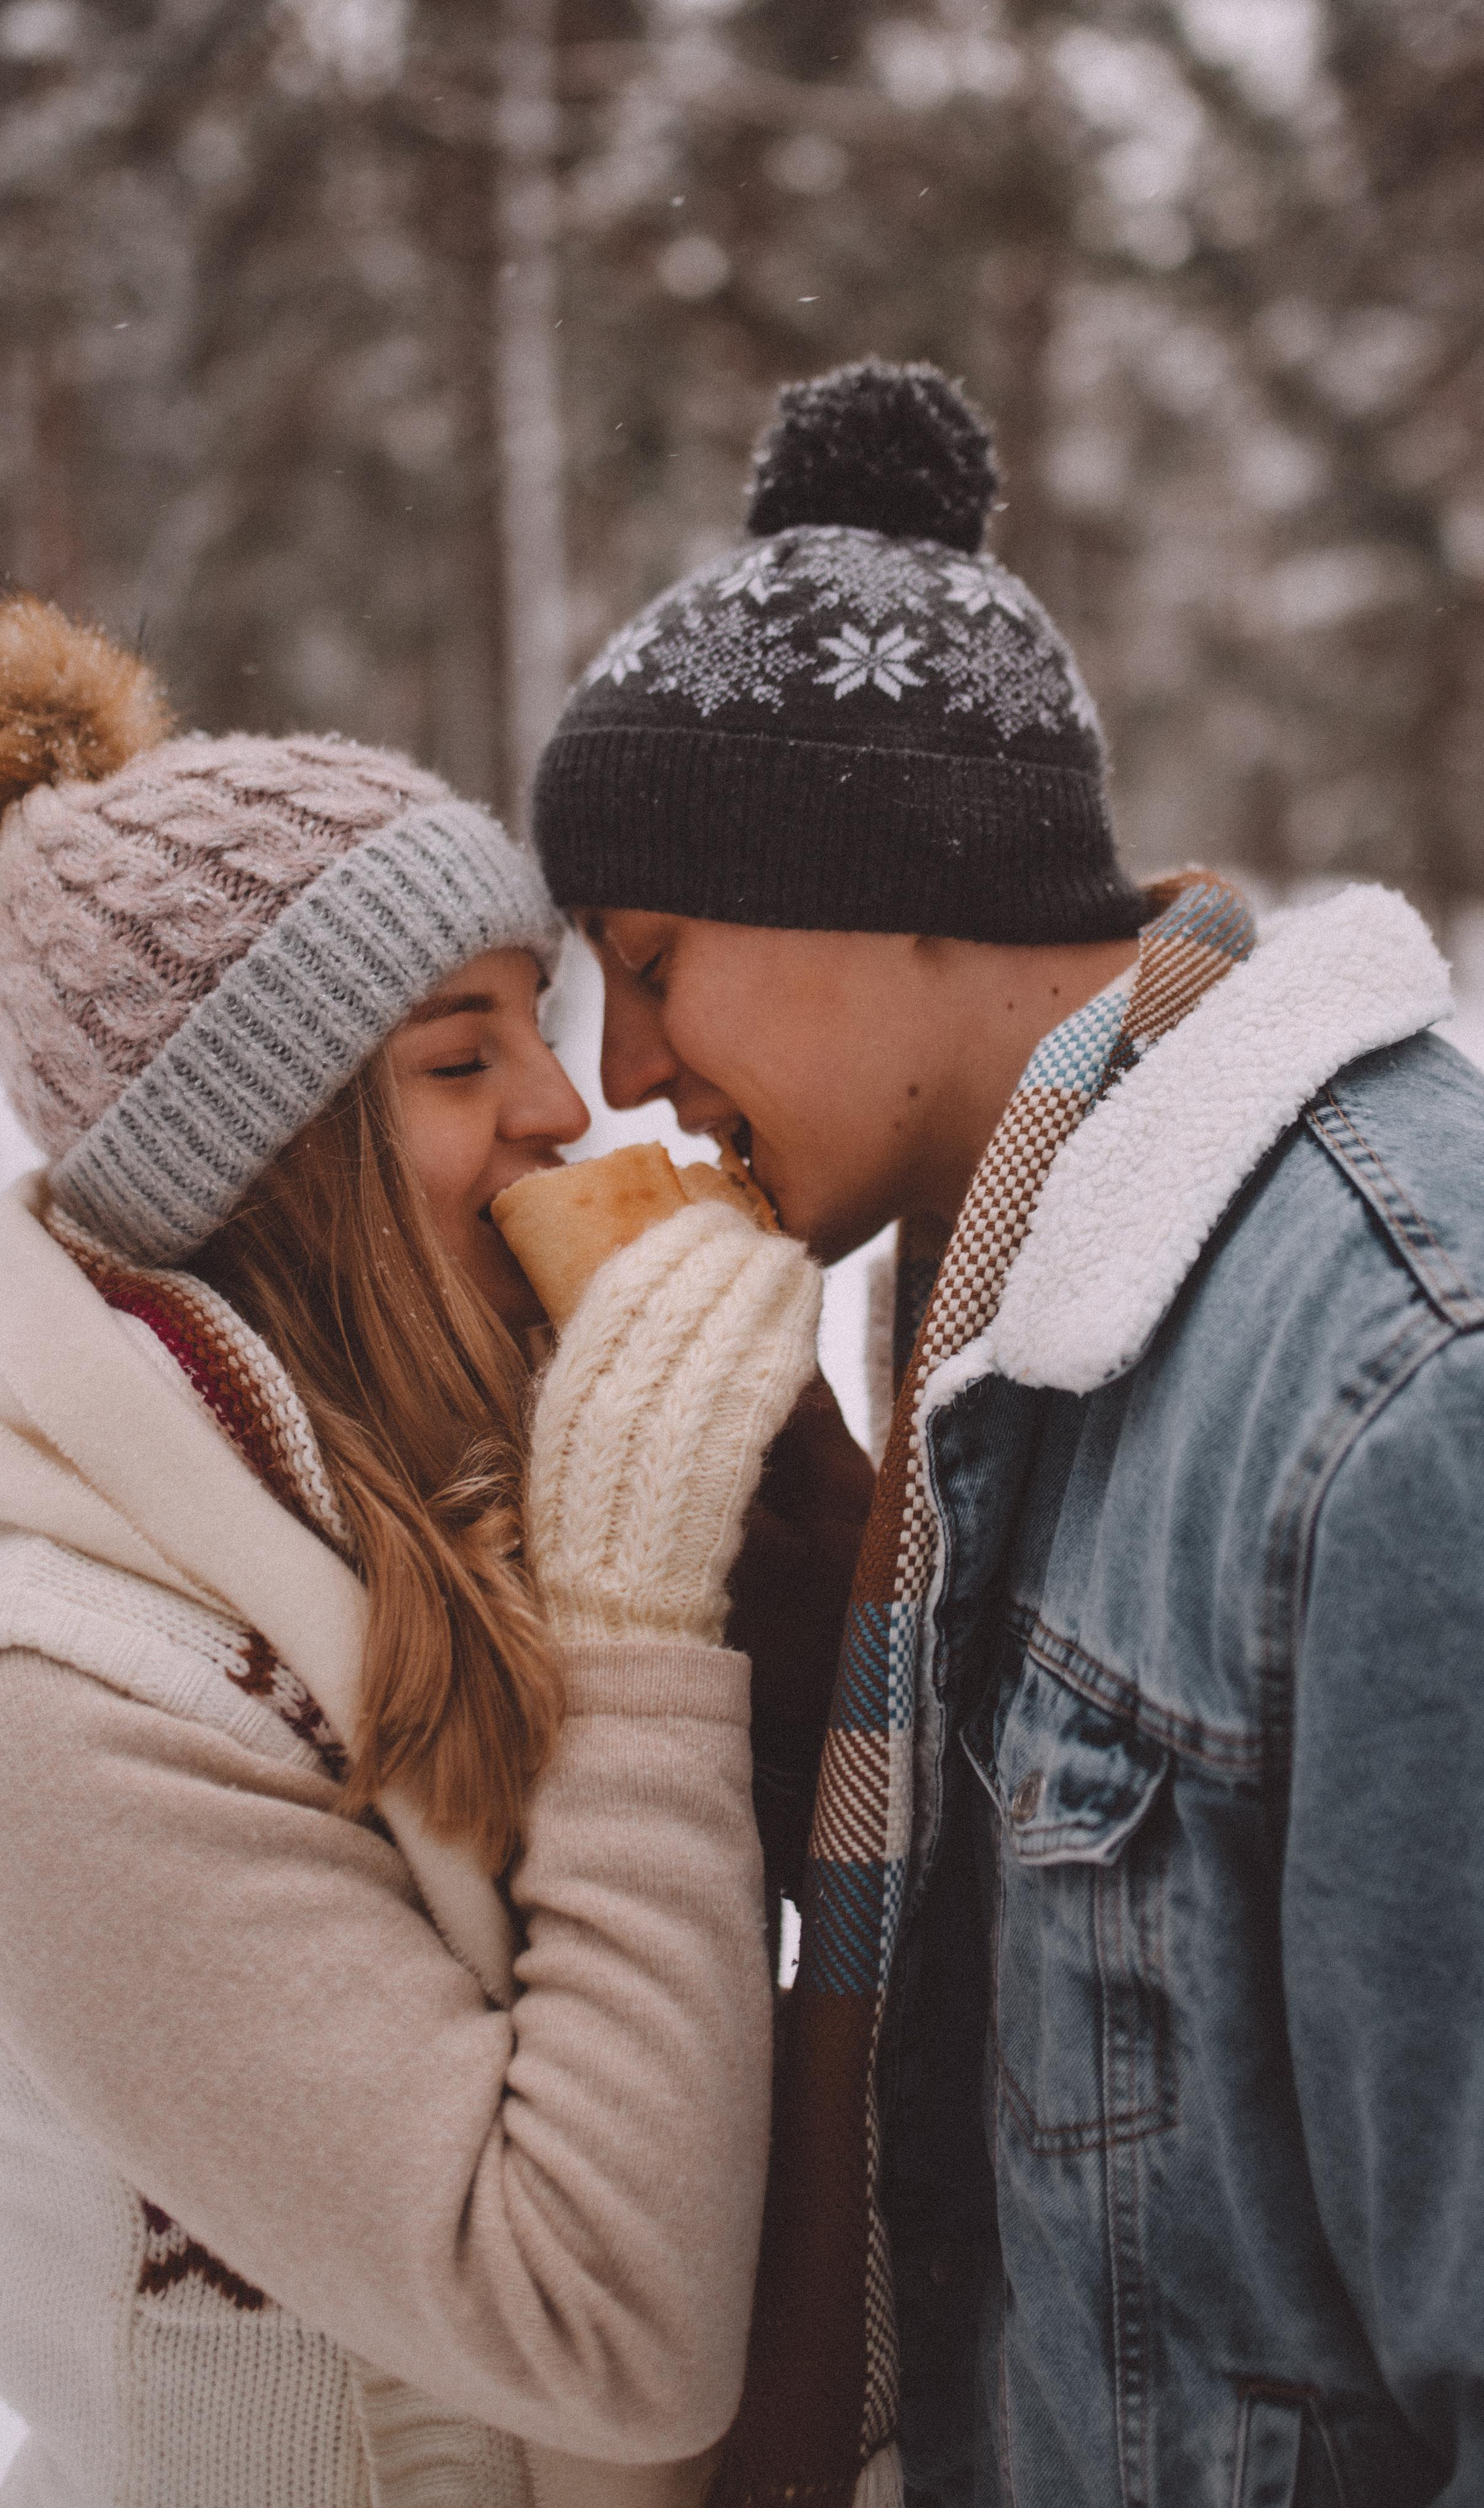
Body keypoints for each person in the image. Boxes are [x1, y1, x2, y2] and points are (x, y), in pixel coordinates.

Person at [530, 360, 1484, 2507]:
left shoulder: (1396, 1394)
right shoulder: (995, 1342)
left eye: (657, 955)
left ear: (893, 873)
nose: (628, 1070)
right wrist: (826, 1658)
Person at [0, 593, 827, 2508]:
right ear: (271, 1174)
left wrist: (790, 1539)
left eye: (534, 1028)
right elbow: (604, 2328)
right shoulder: (43, 1714)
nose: (567, 1108)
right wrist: (632, 1627)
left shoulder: (466, 1501)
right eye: (463, 1063)